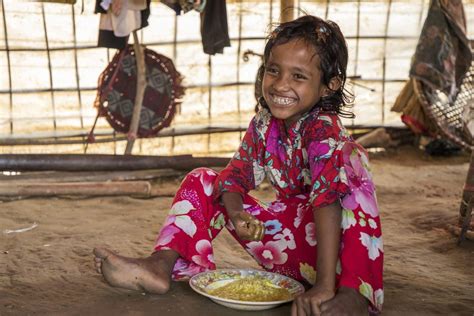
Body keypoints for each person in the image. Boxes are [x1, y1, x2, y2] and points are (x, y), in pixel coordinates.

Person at [93, 15, 383, 315]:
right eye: (274, 70)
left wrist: (325, 286)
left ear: (328, 86)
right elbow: (234, 177)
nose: (281, 84)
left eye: (298, 76)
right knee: (203, 179)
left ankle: (354, 293)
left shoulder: (324, 131)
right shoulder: (263, 125)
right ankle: (159, 265)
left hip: (338, 259)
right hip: (293, 254)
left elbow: (326, 202)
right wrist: (237, 214)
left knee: (353, 161)